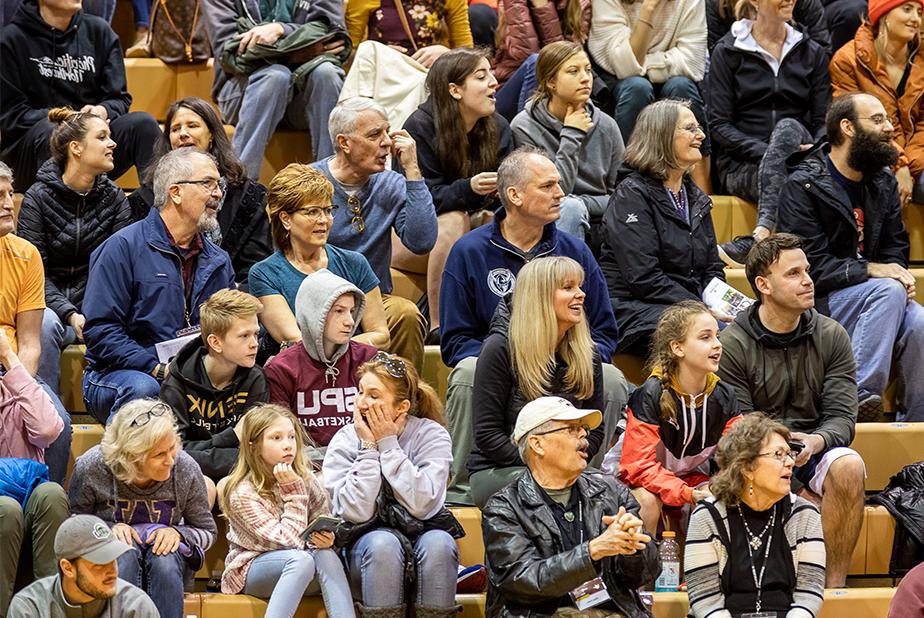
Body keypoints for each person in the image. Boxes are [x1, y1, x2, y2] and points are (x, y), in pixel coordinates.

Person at [440, 145, 627, 504]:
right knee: (467, 371)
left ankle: (583, 469)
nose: (561, 194)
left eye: (559, 185)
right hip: (500, 363)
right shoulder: (470, 251)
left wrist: (563, 359)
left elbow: (603, 331)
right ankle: (462, 487)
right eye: (548, 186)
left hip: (564, 360)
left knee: (613, 377)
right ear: (514, 195)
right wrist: (519, 361)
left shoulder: (574, 252)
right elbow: (455, 339)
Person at [717, 233, 865, 588]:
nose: (808, 280)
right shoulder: (732, 344)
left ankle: (833, 588)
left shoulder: (833, 335)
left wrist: (816, 441)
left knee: (849, 465)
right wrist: (797, 487)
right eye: (794, 273)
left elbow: (844, 417)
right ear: (763, 285)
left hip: (812, 449)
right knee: (756, 462)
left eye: (808, 271)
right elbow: (741, 429)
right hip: (756, 454)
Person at [776, 93, 923, 423]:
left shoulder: (881, 182)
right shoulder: (804, 185)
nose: (889, 128)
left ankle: (916, 424)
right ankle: (854, 400)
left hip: (874, 299)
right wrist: (876, 271)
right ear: (847, 127)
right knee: (889, 290)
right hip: (819, 301)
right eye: (878, 120)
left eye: (887, 119)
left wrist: (894, 271)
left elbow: (894, 247)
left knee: (920, 322)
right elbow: (806, 268)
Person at [81, 148, 236, 424]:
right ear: (175, 192)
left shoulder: (218, 260)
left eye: (219, 185)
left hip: (189, 374)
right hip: (119, 373)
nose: (218, 193)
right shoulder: (122, 248)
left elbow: (228, 327)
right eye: (208, 183)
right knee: (146, 390)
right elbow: (101, 331)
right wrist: (155, 368)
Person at [481, 396, 660, 617]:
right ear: (537, 444)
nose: (584, 434)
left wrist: (634, 549)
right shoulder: (504, 508)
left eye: (582, 428)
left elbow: (643, 576)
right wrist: (592, 551)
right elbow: (522, 580)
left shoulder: (611, 492)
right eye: (572, 429)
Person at [323, 353, 459, 616]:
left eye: (374, 396)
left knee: (440, 543)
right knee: (383, 544)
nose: (362, 403)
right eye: (360, 391)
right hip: (365, 548)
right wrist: (369, 448)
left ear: (402, 407)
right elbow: (356, 512)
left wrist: (388, 445)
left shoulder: (431, 435)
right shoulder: (345, 439)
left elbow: (423, 504)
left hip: (421, 537)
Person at [468, 257, 609, 508]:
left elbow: (595, 428)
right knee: (554, 489)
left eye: (579, 286)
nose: (581, 295)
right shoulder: (500, 348)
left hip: (566, 468)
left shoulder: (588, 352)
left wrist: (568, 461)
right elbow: (488, 435)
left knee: (609, 490)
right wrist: (546, 463)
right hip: (500, 468)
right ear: (540, 297)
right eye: (568, 288)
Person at [312, 97, 436, 368]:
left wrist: (413, 172)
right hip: (316, 300)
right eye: (374, 135)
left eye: (386, 132)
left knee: (406, 313)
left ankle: (404, 399)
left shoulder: (391, 184)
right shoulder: (310, 182)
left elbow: (422, 240)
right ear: (344, 143)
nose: (387, 142)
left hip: (374, 300)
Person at [17, 108, 132, 396]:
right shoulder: (37, 197)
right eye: (102, 137)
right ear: (76, 148)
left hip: (96, 305)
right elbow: (33, 274)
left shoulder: (116, 199)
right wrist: (70, 314)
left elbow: (117, 271)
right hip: (48, 305)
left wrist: (92, 312)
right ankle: (43, 412)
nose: (113, 144)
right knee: (43, 324)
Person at [400, 48, 514, 339]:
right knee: (453, 219)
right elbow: (420, 198)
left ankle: (504, 323)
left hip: (469, 221)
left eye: (491, 73)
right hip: (413, 232)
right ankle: (441, 326)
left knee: (498, 221)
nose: (494, 82)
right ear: (454, 90)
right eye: (481, 76)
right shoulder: (420, 125)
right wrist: (470, 188)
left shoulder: (498, 126)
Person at [599, 100, 727, 359]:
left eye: (699, 127)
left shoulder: (696, 197)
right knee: (711, 336)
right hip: (638, 308)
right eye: (690, 128)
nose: (701, 135)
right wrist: (701, 308)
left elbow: (712, 268)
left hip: (685, 305)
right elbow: (644, 278)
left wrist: (724, 303)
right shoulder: (631, 194)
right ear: (663, 136)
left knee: (751, 326)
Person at [68, 399, 217, 618]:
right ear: (131, 457)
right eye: (159, 454)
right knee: (123, 554)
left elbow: (208, 532)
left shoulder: (185, 467)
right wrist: (105, 530)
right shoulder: (92, 467)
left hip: (168, 567)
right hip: (110, 562)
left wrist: (178, 533)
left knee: (164, 559)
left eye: (172, 448)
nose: (170, 460)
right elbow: (72, 526)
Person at [708, 0, 832, 251]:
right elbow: (719, 125)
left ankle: (760, 236)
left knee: (788, 127)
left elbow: (823, 123)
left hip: (801, 156)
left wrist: (805, 152)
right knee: (797, 184)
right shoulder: (728, 50)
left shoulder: (812, 52)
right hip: (742, 165)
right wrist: (774, 153)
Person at [0, 0, 160, 189]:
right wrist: (68, 119)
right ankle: (59, 215)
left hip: (91, 137)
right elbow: (12, 116)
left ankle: (157, 210)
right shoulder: (11, 39)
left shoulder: (100, 32)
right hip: (32, 151)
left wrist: (103, 110)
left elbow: (119, 98)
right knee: (55, 133)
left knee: (143, 124)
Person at [614, 301, 742, 534]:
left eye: (718, 337)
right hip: (637, 482)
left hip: (691, 479)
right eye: (706, 338)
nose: (717, 345)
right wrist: (686, 493)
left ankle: (708, 571)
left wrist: (719, 485)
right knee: (647, 502)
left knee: (727, 499)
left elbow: (739, 457)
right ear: (678, 348)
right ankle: (643, 570)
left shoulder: (724, 396)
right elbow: (637, 468)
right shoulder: (651, 394)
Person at [684, 413, 826, 617]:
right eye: (778, 455)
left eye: (790, 454)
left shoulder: (804, 514)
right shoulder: (707, 516)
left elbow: (809, 594)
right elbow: (705, 601)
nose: (789, 463)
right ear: (747, 468)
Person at [221, 404, 355, 617]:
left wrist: (325, 539)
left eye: (291, 437)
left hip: (304, 565)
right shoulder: (243, 492)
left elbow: (319, 522)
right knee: (299, 559)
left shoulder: (306, 479)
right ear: (254, 445)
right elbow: (288, 541)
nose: (288, 445)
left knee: (326, 555)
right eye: (276, 438)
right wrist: (294, 493)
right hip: (252, 570)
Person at [249, 164, 392, 359]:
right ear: (285, 219)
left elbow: (381, 336)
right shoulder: (265, 273)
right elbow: (294, 340)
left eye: (327, 210)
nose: (324, 220)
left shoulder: (354, 263)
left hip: (355, 372)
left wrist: (341, 348)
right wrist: (348, 344)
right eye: (312, 212)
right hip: (300, 377)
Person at [129, 97, 273, 285]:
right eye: (175, 129)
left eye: (192, 125)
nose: (183, 134)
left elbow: (256, 269)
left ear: (212, 134)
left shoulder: (249, 197)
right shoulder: (145, 198)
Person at [201, 0, 347, 179]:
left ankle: (330, 186)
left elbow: (332, 33)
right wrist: (300, 49)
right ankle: (238, 187)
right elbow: (230, 51)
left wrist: (281, 29)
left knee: (327, 74)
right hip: (243, 92)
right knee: (275, 76)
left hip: (301, 97)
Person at [159, 289, 269, 505]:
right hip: (187, 472)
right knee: (202, 488)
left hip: (237, 472)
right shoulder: (177, 383)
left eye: (256, 334)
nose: (255, 343)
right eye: (244, 336)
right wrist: (231, 437)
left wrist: (205, 451)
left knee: (239, 490)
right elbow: (173, 454)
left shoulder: (255, 378)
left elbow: (256, 452)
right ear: (215, 342)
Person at [510, 41, 626, 244]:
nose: (585, 78)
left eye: (588, 70)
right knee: (568, 209)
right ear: (551, 82)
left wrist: (581, 203)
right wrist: (572, 134)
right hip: (546, 220)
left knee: (573, 207)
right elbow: (554, 193)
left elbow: (624, 195)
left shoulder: (607, 125)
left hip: (602, 219)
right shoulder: (524, 127)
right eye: (573, 71)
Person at [0, 162, 71, 485]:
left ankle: (43, 509)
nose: (6, 203)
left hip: (13, 369)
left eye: (8, 193)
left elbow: (30, 342)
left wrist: (16, 388)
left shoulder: (27, 254)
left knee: (57, 423)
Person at [587, 0, 710, 187]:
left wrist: (643, 64)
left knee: (681, 87)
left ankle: (700, 191)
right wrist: (647, 10)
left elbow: (692, 62)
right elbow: (624, 67)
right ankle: (625, 184)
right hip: (620, 86)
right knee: (637, 88)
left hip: (674, 79)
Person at [264, 269, 377, 463]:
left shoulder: (369, 360)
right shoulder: (281, 369)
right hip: (307, 468)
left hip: (365, 461)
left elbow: (386, 429)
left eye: (351, 311)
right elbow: (281, 441)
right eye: (339, 311)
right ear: (314, 313)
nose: (350, 321)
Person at [0, 329, 68, 616]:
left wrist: (10, 361)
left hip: (28, 499)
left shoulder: (20, 389)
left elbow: (49, 430)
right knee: (6, 509)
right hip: (7, 508)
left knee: (52, 494)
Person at [830, 0, 924, 205]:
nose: (916, 19)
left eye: (919, 12)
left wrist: (911, 166)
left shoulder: (922, 59)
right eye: (907, 9)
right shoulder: (848, 60)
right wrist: (898, 163)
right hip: (870, 153)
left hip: (917, 157)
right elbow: (855, 123)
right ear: (884, 14)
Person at [339, 0, 474, 129]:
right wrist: (383, 52)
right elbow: (350, 52)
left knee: (423, 82)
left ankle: (390, 141)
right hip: (383, 72)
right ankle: (353, 129)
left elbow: (469, 56)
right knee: (368, 49)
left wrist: (446, 54)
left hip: (424, 71)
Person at [7, 514, 159, 617]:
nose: (113, 572)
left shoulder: (137, 606)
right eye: (100, 564)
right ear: (67, 568)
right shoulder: (30, 607)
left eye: (113, 559)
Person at [491, 0, 592, 121]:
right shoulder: (515, 3)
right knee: (535, 62)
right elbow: (528, 55)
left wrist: (543, 8)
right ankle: (528, 131)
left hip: (556, 88)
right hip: (511, 88)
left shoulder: (580, 3)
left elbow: (565, 58)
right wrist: (543, 9)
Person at [706, 0, 832, 52]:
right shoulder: (716, 5)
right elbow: (716, 61)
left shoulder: (804, 3)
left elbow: (822, 49)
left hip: (798, 83)